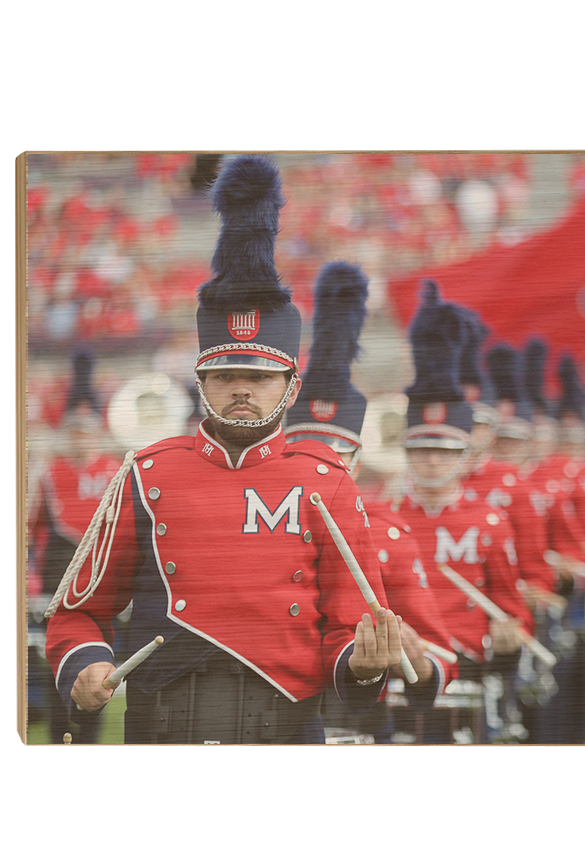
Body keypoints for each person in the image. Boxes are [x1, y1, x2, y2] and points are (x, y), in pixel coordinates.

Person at [44, 155, 400, 745]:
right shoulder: (145, 473)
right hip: (163, 731)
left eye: (259, 378)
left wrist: (361, 664)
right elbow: (78, 610)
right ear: (201, 381)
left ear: (290, 386)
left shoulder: (327, 479)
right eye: (225, 374)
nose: (241, 388)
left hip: (286, 732)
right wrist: (83, 667)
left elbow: (350, 627)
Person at [284, 260, 455, 741]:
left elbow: (438, 650)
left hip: (352, 719)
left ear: (357, 461)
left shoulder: (388, 531)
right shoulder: (243, 519)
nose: (321, 469)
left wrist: (414, 657)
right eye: (304, 454)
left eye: (336, 456)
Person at [391, 281, 534, 742]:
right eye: (422, 449)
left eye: (444, 451)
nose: (432, 460)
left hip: (467, 662)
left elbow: (510, 608)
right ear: (407, 452)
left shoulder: (489, 522)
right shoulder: (380, 515)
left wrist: (509, 637)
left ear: (463, 455)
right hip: (394, 666)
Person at [28, 349, 124, 743]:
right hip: (56, 585)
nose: (79, 436)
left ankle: (88, 742)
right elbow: (30, 533)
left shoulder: (117, 469)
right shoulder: (49, 473)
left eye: (86, 428)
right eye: (74, 428)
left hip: (103, 587)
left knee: (98, 671)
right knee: (57, 669)